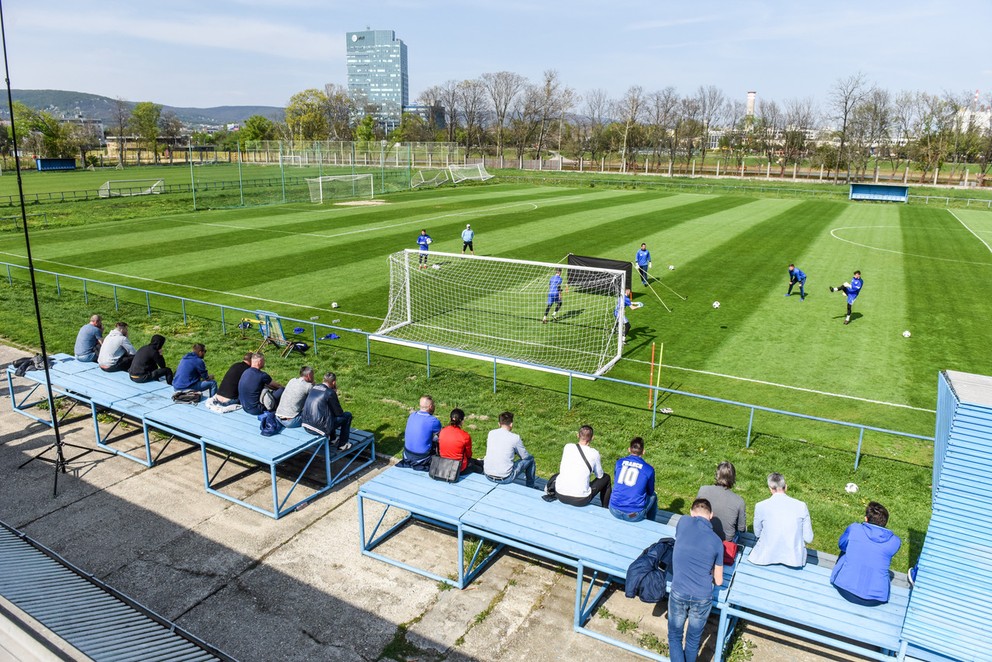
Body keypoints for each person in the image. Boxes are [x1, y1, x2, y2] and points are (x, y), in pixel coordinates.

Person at [667, 498, 724, 662]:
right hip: (702, 597)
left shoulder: (683, 522)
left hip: (679, 591)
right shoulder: (717, 542)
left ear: (692, 513)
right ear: (711, 515)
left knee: (675, 636)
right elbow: (719, 581)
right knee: (692, 641)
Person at [830, 501, 902, 605]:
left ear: (866, 518)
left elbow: (842, 545)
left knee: (846, 550)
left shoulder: (854, 528)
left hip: (845, 589)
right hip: (876, 599)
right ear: (885, 522)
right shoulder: (895, 541)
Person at [749, 472, 814, 567]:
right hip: (794, 560)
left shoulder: (761, 506)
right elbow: (808, 538)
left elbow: (757, 533)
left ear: (770, 489)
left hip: (764, 557)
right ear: (786, 487)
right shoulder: (801, 506)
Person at [554, 425, 612, 507]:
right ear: (592, 438)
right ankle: (605, 507)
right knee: (606, 478)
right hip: (580, 499)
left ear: (578, 435)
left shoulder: (568, 447)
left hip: (560, 494)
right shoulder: (594, 453)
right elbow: (600, 476)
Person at [609, 437, 657, 522]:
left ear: (629, 449)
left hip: (614, 509)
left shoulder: (619, 462)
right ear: (643, 451)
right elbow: (650, 491)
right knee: (653, 496)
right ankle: (651, 523)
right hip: (633, 515)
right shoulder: (648, 469)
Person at [483, 411, 536, 487]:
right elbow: (525, 457)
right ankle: (530, 486)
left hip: (488, 475)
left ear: (499, 424)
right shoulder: (515, 438)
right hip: (506, 478)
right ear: (511, 424)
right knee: (530, 459)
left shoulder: (491, 433)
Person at [696, 461, 746, 543]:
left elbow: (695, 512)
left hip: (702, 533)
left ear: (717, 474)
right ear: (733, 477)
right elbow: (741, 529)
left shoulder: (703, 490)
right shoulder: (739, 501)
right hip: (724, 542)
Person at [301, 372, 353, 450]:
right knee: (347, 415)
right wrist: (334, 393)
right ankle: (343, 444)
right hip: (319, 428)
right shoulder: (330, 393)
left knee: (328, 412)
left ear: (323, 380)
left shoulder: (314, 388)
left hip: (306, 424)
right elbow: (339, 413)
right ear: (334, 382)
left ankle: (332, 439)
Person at [438, 408, 483, 475]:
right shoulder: (465, 436)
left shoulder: (442, 431)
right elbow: (468, 455)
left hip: (443, 463)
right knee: (479, 468)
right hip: (458, 468)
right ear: (462, 421)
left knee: (475, 462)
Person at [403, 395, 442, 468]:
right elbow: (442, 436)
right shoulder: (433, 421)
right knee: (438, 438)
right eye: (433, 405)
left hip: (406, 455)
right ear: (430, 406)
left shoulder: (412, 415)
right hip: (421, 458)